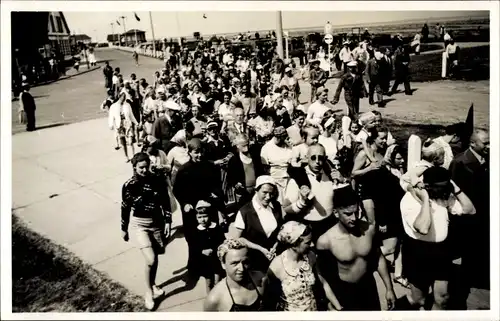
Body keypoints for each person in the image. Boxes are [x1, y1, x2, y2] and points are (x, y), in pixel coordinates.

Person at [397, 167, 476, 311]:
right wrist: (426, 199)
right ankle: (396, 310)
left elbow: (470, 210)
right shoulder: (409, 200)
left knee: (443, 298)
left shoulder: (444, 194)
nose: (445, 192)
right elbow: (423, 228)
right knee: (418, 299)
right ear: (427, 187)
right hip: (418, 252)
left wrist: (455, 188)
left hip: (441, 252)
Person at [316, 185, 396, 311]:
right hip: (344, 293)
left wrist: (389, 289)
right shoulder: (325, 241)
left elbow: (379, 258)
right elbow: (323, 276)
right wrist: (330, 303)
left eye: (356, 212)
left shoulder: (369, 229)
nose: (354, 218)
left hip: (368, 287)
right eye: (348, 214)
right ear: (336, 213)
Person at [121, 153, 172, 310]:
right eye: (140, 167)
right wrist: (124, 228)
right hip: (140, 225)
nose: (144, 170)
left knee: (155, 258)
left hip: (157, 223)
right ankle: (149, 292)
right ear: (134, 167)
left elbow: (165, 201)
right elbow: (125, 207)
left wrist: (168, 221)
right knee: (150, 259)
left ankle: (153, 284)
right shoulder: (129, 185)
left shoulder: (157, 180)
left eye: (146, 166)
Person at [173, 138, 223, 281]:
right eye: (196, 153)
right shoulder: (184, 170)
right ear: (189, 152)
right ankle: (195, 268)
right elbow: (177, 190)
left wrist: (215, 196)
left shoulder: (211, 167)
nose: (199, 155)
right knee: (193, 239)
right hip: (191, 211)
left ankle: (214, 267)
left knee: (211, 237)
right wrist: (185, 203)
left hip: (208, 207)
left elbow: (217, 186)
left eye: (201, 152)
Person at [449, 129, 489, 300]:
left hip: (485, 213)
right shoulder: (460, 162)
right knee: (468, 250)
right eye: (485, 143)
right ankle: (464, 285)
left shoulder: (489, 158)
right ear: (473, 143)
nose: (490, 146)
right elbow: (452, 191)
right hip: (468, 217)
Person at [266, 221, 342, 311]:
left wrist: (338, 307)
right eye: (308, 242)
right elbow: (269, 299)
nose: (312, 245)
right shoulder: (276, 266)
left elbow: (323, 282)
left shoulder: (311, 256)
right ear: (294, 244)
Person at [284, 144, 339, 242]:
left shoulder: (331, 174)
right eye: (313, 158)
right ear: (306, 158)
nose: (317, 162)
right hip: (308, 227)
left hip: (330, 224)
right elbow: (286, 209)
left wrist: (342, 181)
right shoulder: (298, 179)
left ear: (325, 158)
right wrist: (302, 202)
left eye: (321, 158)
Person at [230, 175, 285, 273]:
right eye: (264, 192)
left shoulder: (276, 206)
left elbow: (280, 230)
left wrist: (275, 246)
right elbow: (237, 239)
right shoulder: (244, 211)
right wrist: (261, 249)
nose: (268, 197)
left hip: (273, 256)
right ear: (256, 190)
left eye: (271, 193)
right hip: (253, 260)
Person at [204, 238, 266, 311]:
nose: (241, 268)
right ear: (223, 264)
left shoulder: (260, 280)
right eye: (235, 263)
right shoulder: (214, 299)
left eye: (245, 262)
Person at [191, 200, 226, 294]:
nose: (202, 219)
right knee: (208, 282)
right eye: (199, 217)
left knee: (218, 281)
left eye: (205, 216)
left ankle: (219, 297)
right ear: (196, 218)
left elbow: (222, 241)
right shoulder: (196, 231)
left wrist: (214, 249)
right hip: (205, 262)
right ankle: (210, 300)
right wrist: (202, 251)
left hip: (216, 259)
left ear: (210, 216)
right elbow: (194, 247)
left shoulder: (216, 228)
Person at [260, 127, 293, 203]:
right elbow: (265, 169)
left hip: (288, 178)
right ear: (276, 137)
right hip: (275, 180)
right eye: (280, 138)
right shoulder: (266, 148)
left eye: (284, 138)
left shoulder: (289, 146)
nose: (282, 140)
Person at [108, 92, 139, 162]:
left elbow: (131, 115)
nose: (124, 98)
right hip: (119, 125)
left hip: (127, 124)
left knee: (130, 141)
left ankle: (133, 155)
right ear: (119, 97)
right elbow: (111, 116)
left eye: (125, 97)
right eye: (123, 97)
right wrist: (111, 125)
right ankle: (126, 156)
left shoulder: (127, 105)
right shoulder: (113, 106)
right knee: (123, 142)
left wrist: (136, 123)